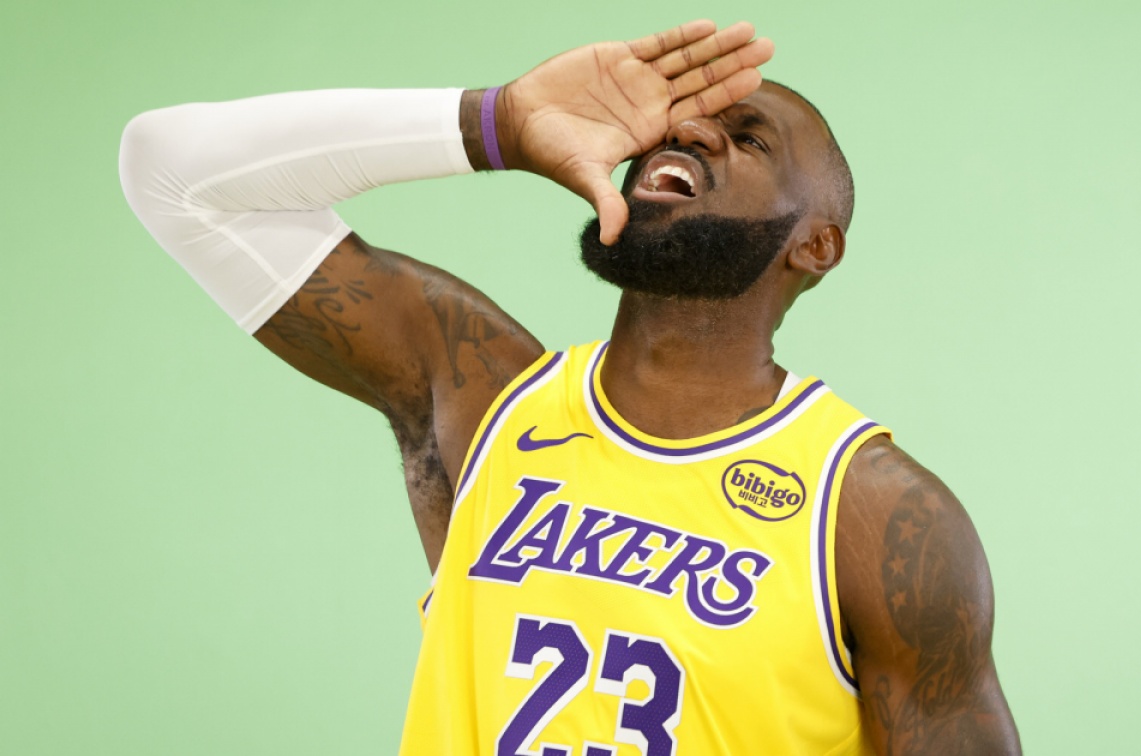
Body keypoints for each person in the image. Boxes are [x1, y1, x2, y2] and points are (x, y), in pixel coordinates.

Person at [119, 19, 1020, 755]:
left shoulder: (877, 517)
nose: (690, 131)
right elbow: (174, 171)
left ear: (814, 245)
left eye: (748, 138)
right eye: (676, 122)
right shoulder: (481, 397)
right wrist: (500, 123)